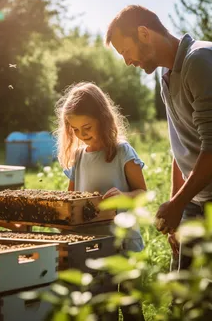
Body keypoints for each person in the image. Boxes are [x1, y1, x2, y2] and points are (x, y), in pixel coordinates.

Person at [105, 4, 212, 270]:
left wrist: (178, 203)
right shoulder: (168, 75)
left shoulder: (202, 60)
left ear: (143, 33)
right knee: (184, 301)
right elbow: (183, 147)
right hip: (197, 199)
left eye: (126, 51)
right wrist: (177, 208)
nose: (127, 61)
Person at [55, 81, 147, 321]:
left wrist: (124, 197)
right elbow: (71, 199)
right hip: (92, 248)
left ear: (103, 119)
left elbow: (143, 193)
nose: (82, 135)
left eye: (86, 127)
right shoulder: (78, 157)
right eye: (75, 130)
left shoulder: (122, 152)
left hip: (125, 244)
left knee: (131, 309)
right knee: (101, 310)